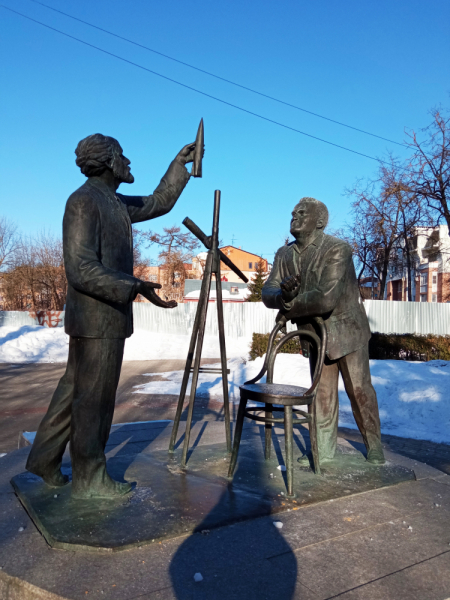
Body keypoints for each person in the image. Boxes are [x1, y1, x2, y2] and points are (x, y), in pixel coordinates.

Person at [26, 133, 201, 498]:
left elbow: (158, 203)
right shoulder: (83, 203)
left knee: (74, 390)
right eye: (122, 155)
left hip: (104, 317)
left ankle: (43, 458)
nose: (128, 161)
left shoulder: (115, 203)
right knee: (95, 399)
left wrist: (178, 165)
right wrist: (134, 285)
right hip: (96, 319)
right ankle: (90, 476)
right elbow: (80, 268)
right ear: (107, 162)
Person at [262, 197, 385, 465]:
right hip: (315, 335)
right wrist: (282, 296)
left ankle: (374, 444)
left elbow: (326, 298)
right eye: (293, 212)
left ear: (320, 222)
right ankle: (323, 453)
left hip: (346, 332)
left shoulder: (338, 249)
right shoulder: (284, 254)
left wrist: (287, 306)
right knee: (322, 395)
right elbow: (267, 291)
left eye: (301, 213)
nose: (294, 215)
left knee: (359, 390)